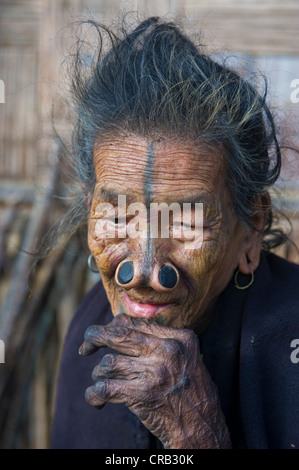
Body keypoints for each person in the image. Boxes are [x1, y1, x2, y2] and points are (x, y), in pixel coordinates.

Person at [50, 16, 299, 449]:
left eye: (184, 223)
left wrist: (195, 435)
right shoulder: (87, 333)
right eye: (119, 218)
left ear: (251, 231)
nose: (141, 273)